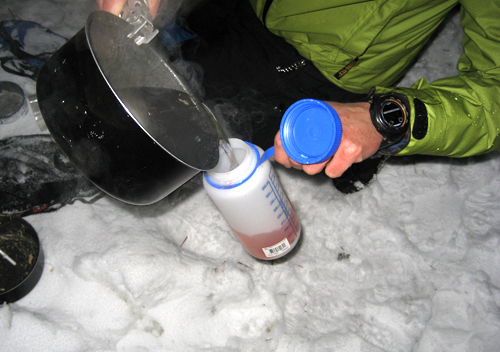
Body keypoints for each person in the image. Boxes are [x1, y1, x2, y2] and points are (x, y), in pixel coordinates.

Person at [97, 0, 500, 193]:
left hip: (311, 60)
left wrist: (386, 118)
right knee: (174, 50)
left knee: (163, 130)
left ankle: (359, 146)